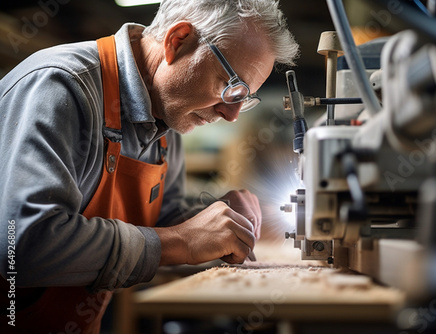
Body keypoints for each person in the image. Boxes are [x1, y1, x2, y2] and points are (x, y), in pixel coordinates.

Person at [0, 0, 299, 332]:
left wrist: (214, 222)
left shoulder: (170, 117)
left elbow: (159, 221)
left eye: (245, 99)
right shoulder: (61, 87)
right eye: (232, 88)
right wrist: (181, 241)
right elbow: (22, 246)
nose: (230, 115)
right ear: (178, 40)